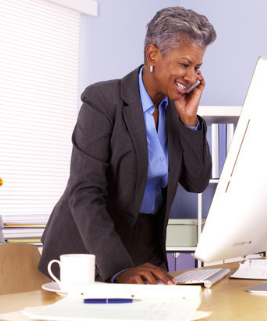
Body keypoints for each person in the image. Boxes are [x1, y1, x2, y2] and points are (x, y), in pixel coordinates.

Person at [38, 6, 217, 285]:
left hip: (146, 247)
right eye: (184, 64)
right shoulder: (103, 100)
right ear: (153, 55)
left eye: (197, 67)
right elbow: (84, 192)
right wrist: (119, 268)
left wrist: (189, 120)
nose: (192, 77)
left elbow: (196, 182)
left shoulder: (176, 112)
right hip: (92, 247)